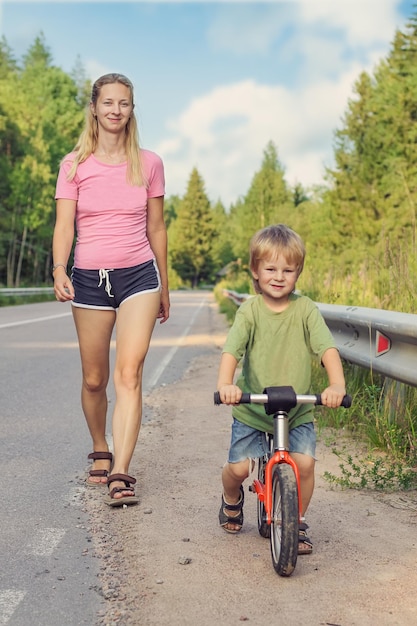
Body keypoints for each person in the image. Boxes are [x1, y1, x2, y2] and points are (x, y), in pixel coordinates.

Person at [52, 73, 169, 507]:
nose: (116, 110)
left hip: (139, 275)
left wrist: (165, 286)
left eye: (124, 103)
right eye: (108, 103)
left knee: (129, 374)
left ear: (132, 109)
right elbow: (65, 225)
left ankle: (121, 469)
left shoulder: (150, 163)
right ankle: (100, 447)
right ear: (95, 108)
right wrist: (59, 267)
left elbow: (156, 227)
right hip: (88, 276)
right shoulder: (74, 165)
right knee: (95, 378)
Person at [216, 224, 346, 553]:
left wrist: (337, 384)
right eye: (270, 268)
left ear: (298, 273)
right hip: (253, 409)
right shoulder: (250, 311)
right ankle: (231, 497)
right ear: (255, 271)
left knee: (304, 464)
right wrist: (226, 384)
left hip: (297, 410)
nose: (279, 276)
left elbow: (327, 349)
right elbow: (233, 350)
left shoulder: (305, 310)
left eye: (288, 270)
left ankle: (296, 521)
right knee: (239, 468)